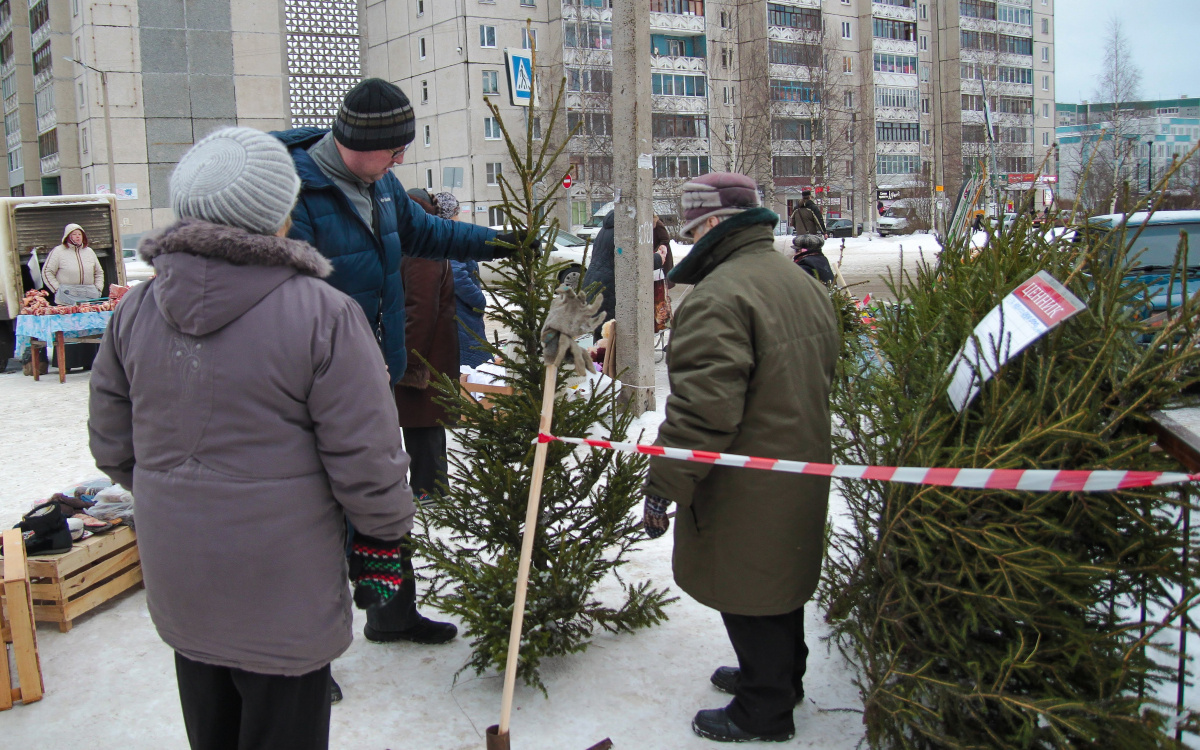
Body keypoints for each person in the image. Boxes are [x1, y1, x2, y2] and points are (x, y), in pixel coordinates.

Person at [89, 127, 416, 750]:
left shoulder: (136, 311)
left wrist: (177, 492)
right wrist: (381, 541)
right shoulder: (323, 315)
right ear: (276, 211)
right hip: (284, 595)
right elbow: (368, 459)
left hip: (182, 583)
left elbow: (112, 442)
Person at [272, 78, 530, 651]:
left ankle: (392, 616)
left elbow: (429, 232)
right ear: (358, 139)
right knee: (319, 515)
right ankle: (305, 650)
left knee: (382, 497)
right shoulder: (295, 195)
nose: (402, 159)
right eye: (395, 148)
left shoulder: (381, 184)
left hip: (372, 376)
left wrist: (505, 244)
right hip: (314, 385)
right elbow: (286, 301)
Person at [643, 172, 839, 743]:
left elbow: (703, 411)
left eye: (692, 228)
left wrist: (665, 486)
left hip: (745, 476)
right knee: (778, 578)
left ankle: (764, 708)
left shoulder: (719, 297)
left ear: (709, 226)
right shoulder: (795, 278)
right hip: (797, 462)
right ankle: (781, 675)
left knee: (748, 586)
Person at [394, 190, 460, 505]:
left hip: (424, 359)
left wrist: (408, 363)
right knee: (420, 422)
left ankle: (429, 490)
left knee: (423, 422)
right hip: (427, 356)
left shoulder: (421, 250)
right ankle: (427, 487)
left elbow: (419, 310)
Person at [42, 223, 104, 303]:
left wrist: (98, 289)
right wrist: (57, 290)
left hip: (89, 297)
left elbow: (99, 272)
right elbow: (47, 271)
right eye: (74, 234)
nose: (78, 236)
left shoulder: (89, 252)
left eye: (80, 234)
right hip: (66, 296)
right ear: (67, 236)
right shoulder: (58, 251)